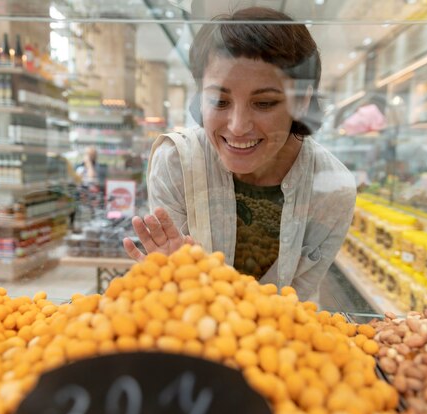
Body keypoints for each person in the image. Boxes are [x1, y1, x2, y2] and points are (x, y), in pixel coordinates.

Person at [123, 7, 356, 301]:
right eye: (219, 101)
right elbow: (175, 295)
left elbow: (294, 309)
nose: (238, 126)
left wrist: (200, 285)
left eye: (264, 103)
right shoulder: (176, 162)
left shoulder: (332, 190)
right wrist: (172, 276)